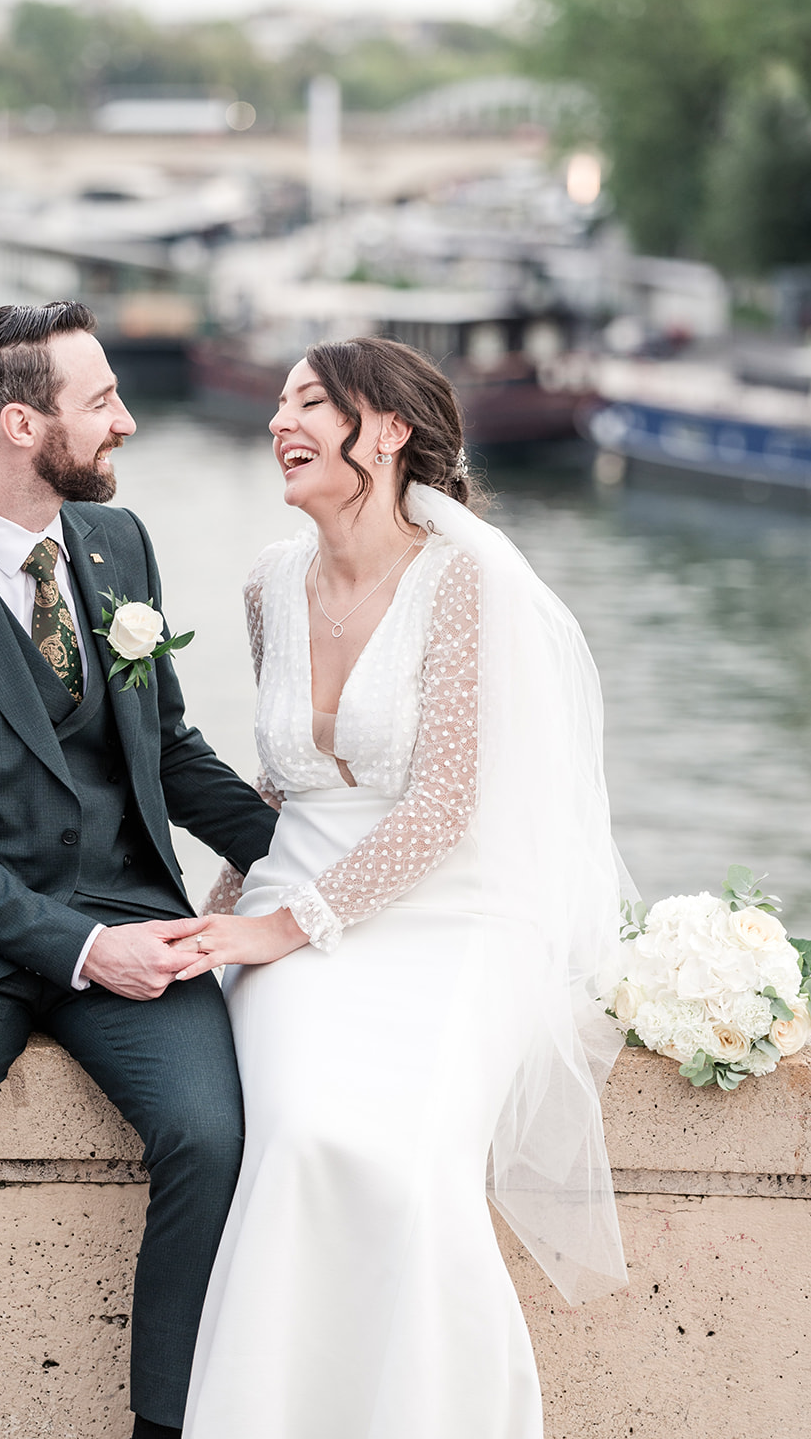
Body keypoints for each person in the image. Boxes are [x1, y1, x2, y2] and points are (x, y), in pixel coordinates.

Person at [0, 300, 279, 1439]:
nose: (126, 419)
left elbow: (169, 749)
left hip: (127, 899)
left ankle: (160, 1426)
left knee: (213, 1138)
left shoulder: (118, 547)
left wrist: (314, 865)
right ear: (21, 424)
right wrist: (83, 950)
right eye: (103, 401)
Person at [175, 336, 630, 1439]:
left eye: (309, 403)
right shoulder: (266, 583)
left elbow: (442, 810)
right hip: (295, 906)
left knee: (410, 1155)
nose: (281, 421)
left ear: (385, 430)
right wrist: (220, 914)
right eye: (278, 403)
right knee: (303, 1135)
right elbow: (278, 784)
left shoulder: (465, 578)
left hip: (453, 912)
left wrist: (285, 926)